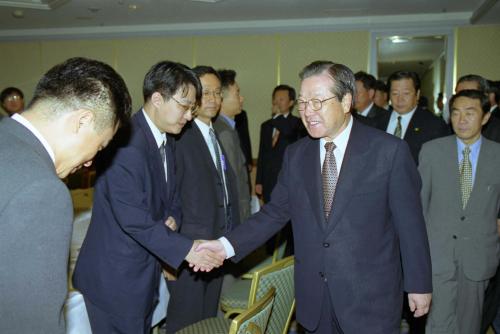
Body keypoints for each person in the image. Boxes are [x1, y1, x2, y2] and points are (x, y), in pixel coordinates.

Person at [200, 60, 432, 334]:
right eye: (303, 102)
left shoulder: (388, 152)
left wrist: (419, 284)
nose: (307, 112)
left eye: (318, 102)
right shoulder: (297, 155)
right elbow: (275, 213)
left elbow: (410, 224)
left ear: (346, 101)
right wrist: (225, 246)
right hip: (314, 300)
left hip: (370, 300)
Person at [72, 61, 224, 334]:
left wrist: (173, 220)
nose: (189, 116)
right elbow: (134, 219)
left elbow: (174, 196)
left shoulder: (167, 139)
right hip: (115, 278)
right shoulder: (125, 145)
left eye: (192, 108)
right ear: (157, 98)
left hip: (142, 270)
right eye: (184, 106)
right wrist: (188, 250)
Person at [0, 57, 132, 334]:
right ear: (83, 121)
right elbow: (30, 323)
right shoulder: (42, 190)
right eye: (100, 145)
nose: (89, 163)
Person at [165, 65, 241, 333]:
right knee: (184, 324)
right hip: (191, 250)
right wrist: (169, 255)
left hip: (216, 245)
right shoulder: (180, 136)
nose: (213, 99)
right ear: (192, 96)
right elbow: (169, 195)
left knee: (206, 322)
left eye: (217, 93)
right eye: (205, 92)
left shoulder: (214, 134)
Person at [419, 89, 500, 334]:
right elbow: (419, 204)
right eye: (456, 113)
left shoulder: (497, 155)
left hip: (478, 255)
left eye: (470, 113)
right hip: (438, 255)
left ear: (485, 117)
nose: (461, 120)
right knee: (438, 323)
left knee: (470, 324)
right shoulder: (432, 151)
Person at [376, 70, 449, 163]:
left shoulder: (434, 126)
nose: (400, 99)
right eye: (395, 94)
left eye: (406, 93)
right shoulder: (376, 122)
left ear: (417, 94)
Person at [255, 84, 304, 203]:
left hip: (288, 179)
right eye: (275, 99)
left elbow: (288, 134)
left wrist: (277, 117)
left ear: (291, 102)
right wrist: (259, 181)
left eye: (281, 99)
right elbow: (262, 154)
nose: (276, 102)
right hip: (269, 180)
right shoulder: (266, 125)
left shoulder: (298, 123)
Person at [213, 69, 251, 223]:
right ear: (222, 99)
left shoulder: (227, 128)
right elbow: (234, 180)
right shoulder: (223, 132)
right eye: (237, 93)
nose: (241, 98)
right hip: (236, 214)